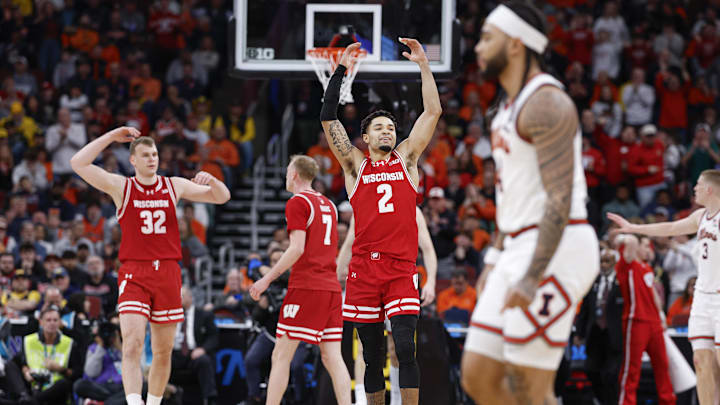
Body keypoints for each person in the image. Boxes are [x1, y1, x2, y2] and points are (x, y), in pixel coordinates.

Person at [461, 3, 600, 405]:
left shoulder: (547, 103)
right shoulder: (505, 109)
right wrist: (493, 259)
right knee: (478, 375)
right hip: (516, 245)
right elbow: (514, 197)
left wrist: (531, 273)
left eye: (488, 37)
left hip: (556, 246)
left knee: (529, 385)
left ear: (517, 44)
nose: (478, 48)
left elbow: (560, 198)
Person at [70, 126, 230, 405]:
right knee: (131, 343)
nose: (152, 159)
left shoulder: (174, 185)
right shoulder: (122, 186)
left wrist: (213, 181)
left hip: (168, 272)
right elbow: (78, 163)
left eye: (154, 154)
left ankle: (153, 402)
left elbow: (222, 197)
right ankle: (134, 402)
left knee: (163, 350)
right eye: (145, 155)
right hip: (135, 271)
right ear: (133, 160)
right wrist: (110, 137)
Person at [320, 36, 441, 405]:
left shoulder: (407, 159)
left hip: (402, 268)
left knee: (405, 347)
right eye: (379, 128)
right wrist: (341, 69)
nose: (387, 131)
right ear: (366, 137)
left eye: (391, 127)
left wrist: (423, 64)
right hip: (363, 271)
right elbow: (328, 117)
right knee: (372, 358)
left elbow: (432, 113)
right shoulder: (354, 165)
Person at [607, 168, 720, 405]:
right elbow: (670, 228)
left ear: (710, 189)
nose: (694, 188)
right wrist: (634, 228)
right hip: (702, 296)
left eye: (698, 184)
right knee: (701, 361)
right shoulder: (700, 217)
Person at [249, 155, 351, 405]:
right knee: (332, 357)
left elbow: (296, 249)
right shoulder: (329, 204)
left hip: (308, 286)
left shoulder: (298, 202)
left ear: (294, 174)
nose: (286, 176)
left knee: (281, 356)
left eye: (287, 171)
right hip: (331, 288)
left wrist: (266, 281)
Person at [336, 206, 437, 405]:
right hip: (368, 279)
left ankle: (398, 401)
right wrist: (339, 271)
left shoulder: (412, 210)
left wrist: (431, 281)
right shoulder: (364, 204)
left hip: (397, 279)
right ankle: (361, 400)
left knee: (400, 347)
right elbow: (349, 243)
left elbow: (428, 248)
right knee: (366, 350)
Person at [613, 234, 675, 405]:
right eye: (646, 246)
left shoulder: (647, 268)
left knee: (663, 366)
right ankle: (626, 402)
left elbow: (653, 293)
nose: (649, 250)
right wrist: (632, 231)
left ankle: (668, 401)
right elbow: (629, 241)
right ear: (636, 247)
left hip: (654, 322)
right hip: (636, 320)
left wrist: (661, 315)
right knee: (631, 369)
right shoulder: (627, 264)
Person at [574, 248, 624, 405]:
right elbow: (585, 309)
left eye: (607, 261)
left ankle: (613, 401)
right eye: (601, 261)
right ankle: (602, 400)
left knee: (611, 374)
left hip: (615, 335)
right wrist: (579, 333)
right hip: (595, 333)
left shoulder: (622, 282)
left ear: (615, 263)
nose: (603, 265)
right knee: (590, 370)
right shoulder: (593, 281)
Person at [16, 306, 82, 405]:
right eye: (48, 320)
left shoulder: (69, 343)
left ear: (60, 323)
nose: (52, 323)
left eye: (55, 320)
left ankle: (32, 401)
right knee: (9, 366)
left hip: (57, 392)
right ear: (41, 322)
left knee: (64, 383)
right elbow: (21, 363)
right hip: (34, 385)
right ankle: (28, 397)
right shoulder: (29, 340)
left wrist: (61, 369)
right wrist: (26, 372)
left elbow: (77, 373)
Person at [170, 285, 218, 405]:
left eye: (181, 296)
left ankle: (210, 399)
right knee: (161, 361)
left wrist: (203, 349)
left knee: (204, 361)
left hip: (194, 353)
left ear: (190, 298)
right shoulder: (171, 315)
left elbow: (214, 336)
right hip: (175, 354)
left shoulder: (204, 315)